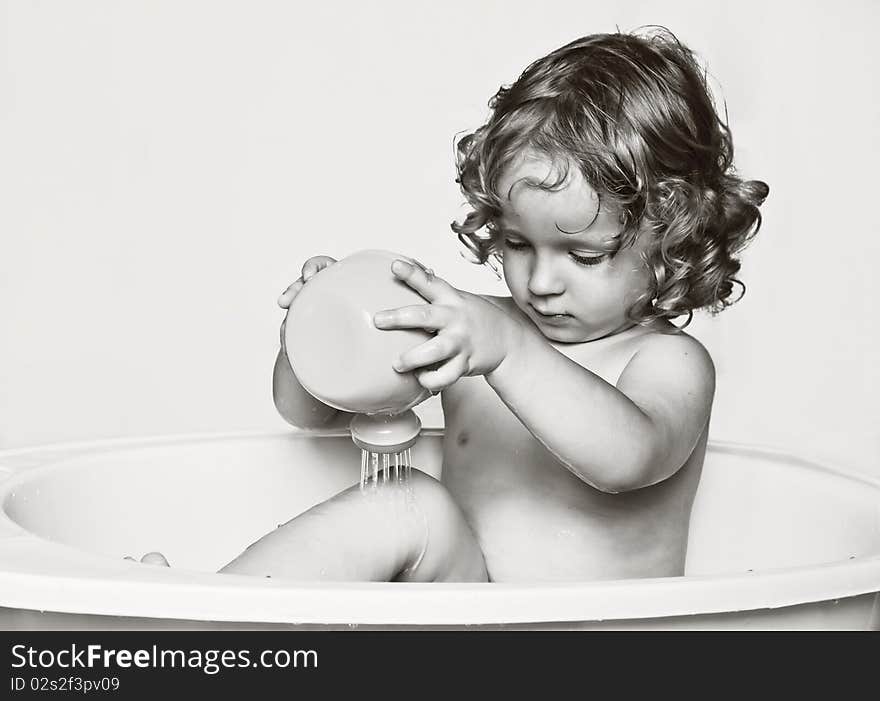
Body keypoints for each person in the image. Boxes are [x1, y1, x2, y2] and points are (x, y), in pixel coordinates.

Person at [158, 29, 769, 582]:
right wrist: (318, 331)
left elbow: (626, 459)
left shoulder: (667, 361)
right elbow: (307, 415)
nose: (542, 281)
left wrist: (507, 352)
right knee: (407, 505)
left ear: (674, 234)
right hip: (470, 620)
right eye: (516, 243)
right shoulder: (479, 329)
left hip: (595, 643)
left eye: (582, 256)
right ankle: (195, 625)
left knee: (417, 498)